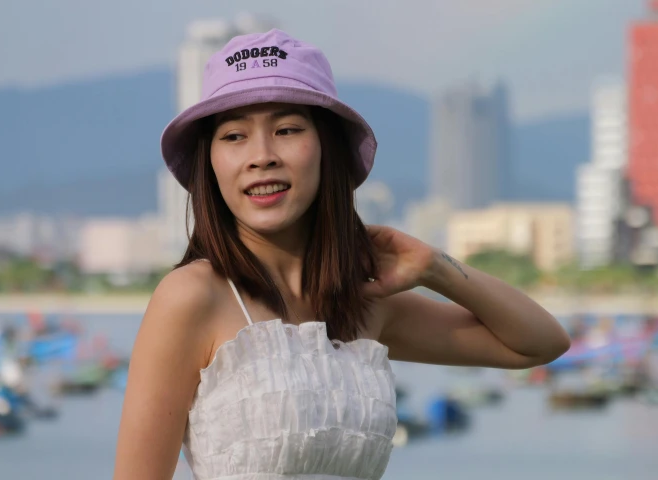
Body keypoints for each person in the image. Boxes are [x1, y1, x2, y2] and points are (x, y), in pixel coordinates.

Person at [113, 29, 570, 480]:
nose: (261, 156)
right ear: (209, 162)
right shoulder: (192, 297)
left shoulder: (365, 303)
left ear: (327, 148)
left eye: (287, 129)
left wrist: (434, 268)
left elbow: (540, 342)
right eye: (234, 136)